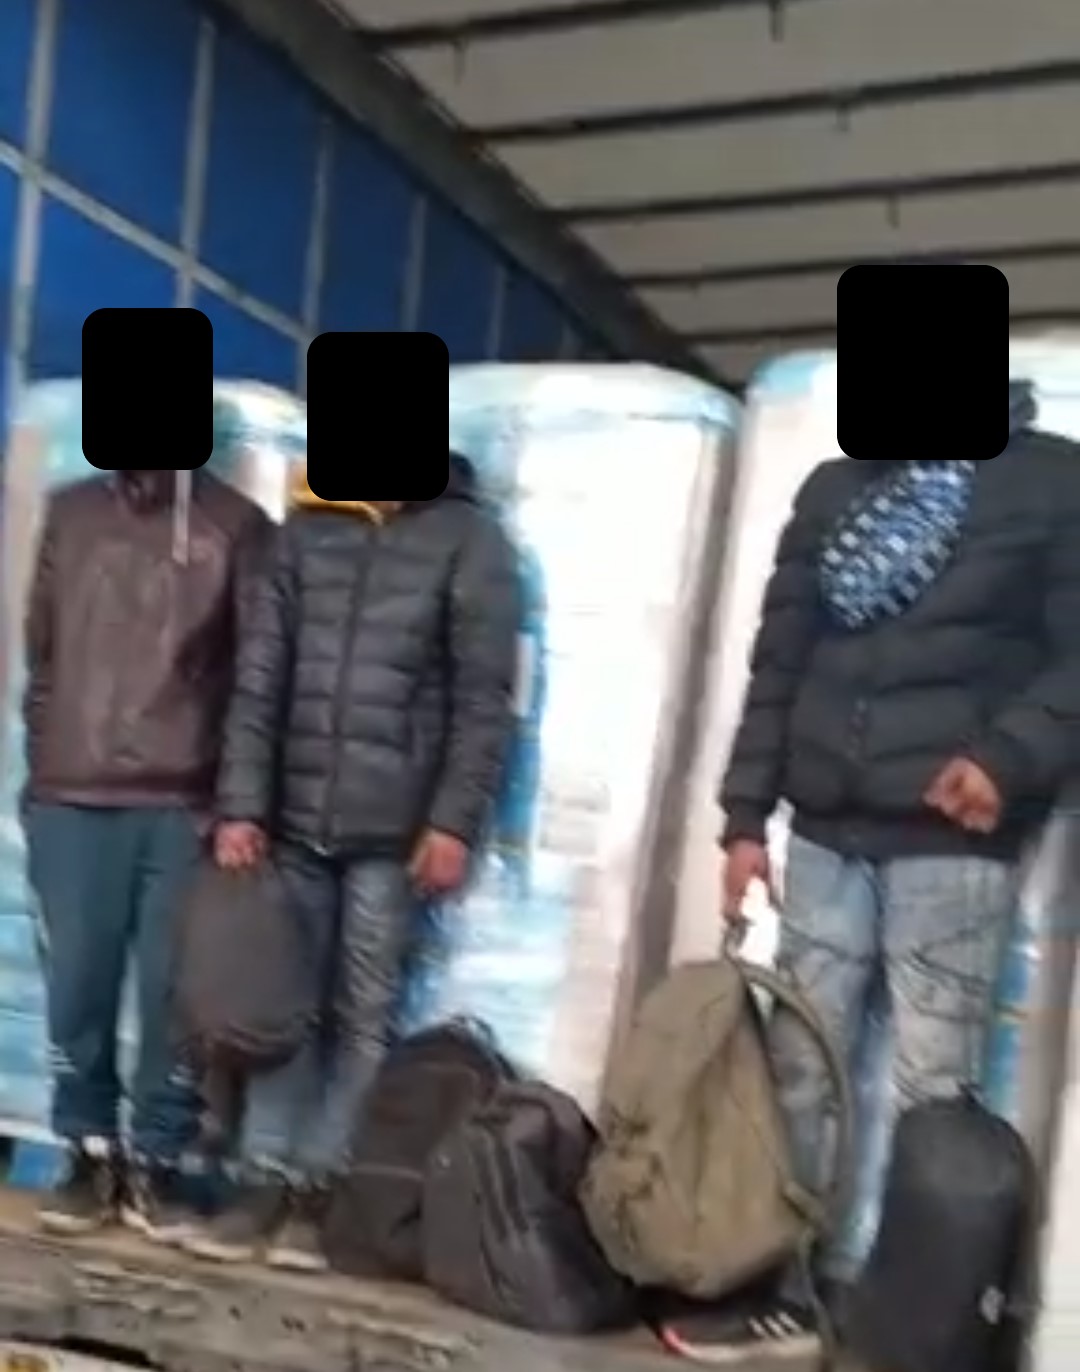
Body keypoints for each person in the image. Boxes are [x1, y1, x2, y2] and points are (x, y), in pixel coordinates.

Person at [715, 381, 1080, 1351]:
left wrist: (1007, 758)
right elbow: (778, 661)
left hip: (950, 841)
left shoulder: (1048, 482)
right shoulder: (836, 488)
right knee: (801, 1065)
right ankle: (788, 1284)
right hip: (825, 827)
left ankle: (913, 1318)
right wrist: (743, 818)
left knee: (933, 1088)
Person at [186, 453, 520, 1271]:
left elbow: (484, 701)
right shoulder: (305, 535)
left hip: (393, 834)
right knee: (281, 1008)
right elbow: (258, 682)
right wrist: (242, 805)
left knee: (363, 1014)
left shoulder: (469, 541)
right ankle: (263, 1179)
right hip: (292, 824)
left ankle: (320, 1191)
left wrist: (453, 822)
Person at [22, 467, 270, 1239]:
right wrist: (45, 772)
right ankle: (87, 1149)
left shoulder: (237, 525)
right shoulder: (70, 513)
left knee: (175, 995)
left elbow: (255, 681)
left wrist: (238, 804)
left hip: (183, 804)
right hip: (73, 793)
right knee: (77, 986)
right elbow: (43, 656)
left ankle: (158, 1158)